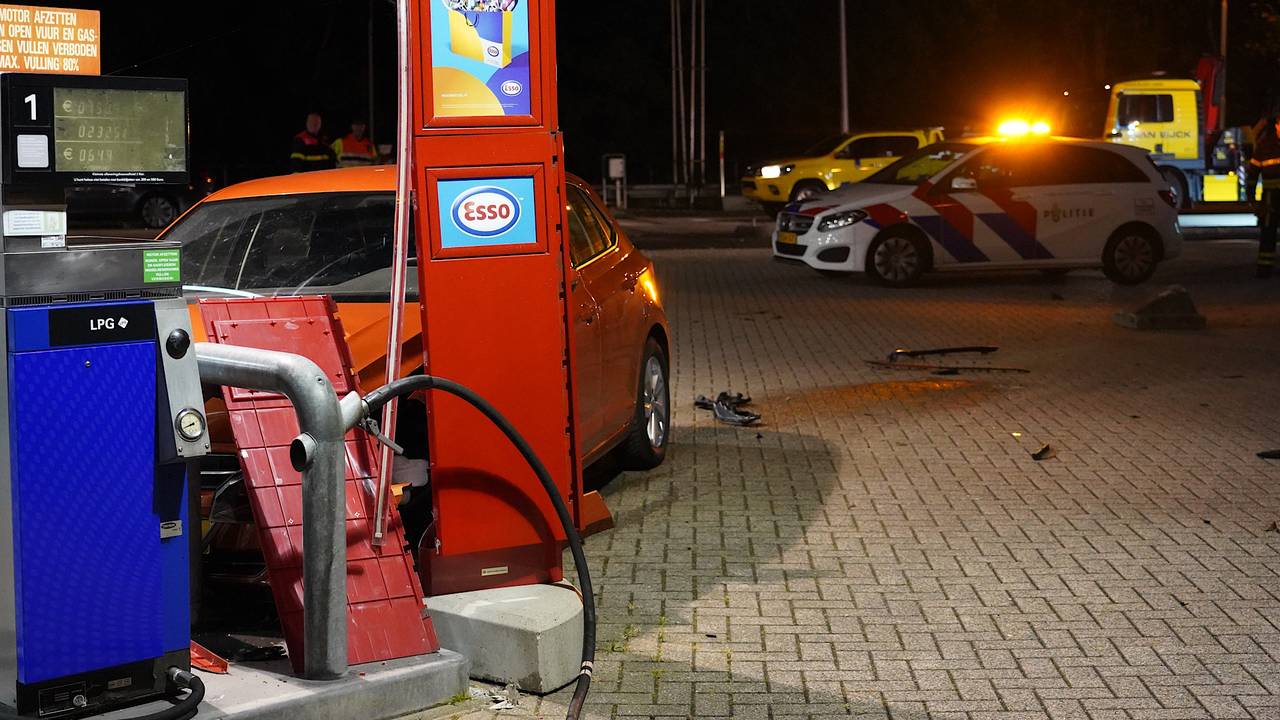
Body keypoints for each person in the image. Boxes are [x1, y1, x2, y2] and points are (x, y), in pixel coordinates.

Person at [1246, 115, 1280, 278]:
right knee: (1268, 233)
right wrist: (1251, 197)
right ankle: (1264, 268)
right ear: (1277, 125)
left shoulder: (1266, 144)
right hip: (1270, 199)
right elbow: (1252, 173)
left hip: (1271, 197)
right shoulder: (1265, 145)